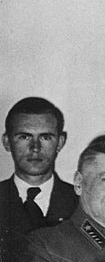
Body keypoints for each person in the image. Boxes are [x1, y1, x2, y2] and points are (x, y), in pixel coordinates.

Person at [1, 97, 77, 239]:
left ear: (60, 143)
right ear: (7, 142)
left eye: (45, 137)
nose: (35, 148)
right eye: (24, 137)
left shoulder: (81, 204)